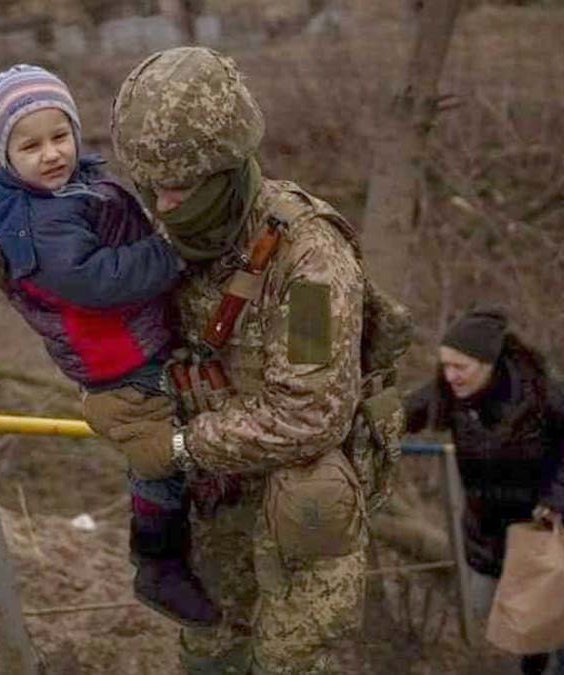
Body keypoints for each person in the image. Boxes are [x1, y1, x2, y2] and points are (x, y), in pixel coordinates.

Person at [84, 47, 413, 674]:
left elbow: (309, 415)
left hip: (299, 514)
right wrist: (112, 389)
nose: (166, 205)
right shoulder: (166, 237)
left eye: (180, 188)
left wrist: (177, 446)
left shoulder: (310, 261)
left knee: (286, 663)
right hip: (215, 507)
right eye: (153, 188)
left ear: (227, 170)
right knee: (209, 654)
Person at [0, 64, 217, 627]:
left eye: (60, 136)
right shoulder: (33, 224)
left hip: (145, 344)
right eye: (31, 145)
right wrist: (173, 253)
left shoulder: (75, 187)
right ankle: (159, 565)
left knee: (189, 449)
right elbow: (97, 282)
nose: (51, 154)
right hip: (122, 367)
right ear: (4, 156)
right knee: (160, 462)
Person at [403, 308, 564, 675]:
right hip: (492, 530)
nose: (450, 375)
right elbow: (400, 414)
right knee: (505, 615)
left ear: (488, 363)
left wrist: (555, 498)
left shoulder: (538, 392)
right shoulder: (450, 391)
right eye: (445, 366)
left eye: (460, 367)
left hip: (552, 523)